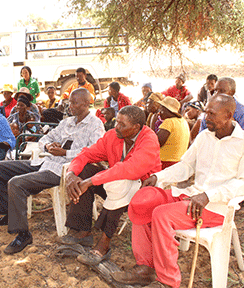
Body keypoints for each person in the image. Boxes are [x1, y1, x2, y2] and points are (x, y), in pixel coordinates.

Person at [112, 94, 244, 288]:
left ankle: (168, 281)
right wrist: (159, 177)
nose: (206, 117)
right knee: (141, 203)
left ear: (229, 115)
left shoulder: (241, 144)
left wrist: (208, 195)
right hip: (191, 196)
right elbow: (186, 167)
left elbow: (241, 183)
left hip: (216, 208)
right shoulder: (204, 137)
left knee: (161, 215)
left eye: (212, 113)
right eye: (206, 111)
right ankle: (145, 269)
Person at [0, 88, 105, 255]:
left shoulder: (95, 124)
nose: (70, 106)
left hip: (63, 170)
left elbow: (94, 152)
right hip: (45, 161)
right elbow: (45, 138)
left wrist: (66, 153)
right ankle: (8, 213)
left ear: (87, 103)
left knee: (16, 183)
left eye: (74, 103)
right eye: (69, 102)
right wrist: (49, 146)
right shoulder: (67, 122)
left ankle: (23, 234)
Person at [58, 106, 161, 266]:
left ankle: (104, 245)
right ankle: (82, 230)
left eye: (122, 124)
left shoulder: (149, 140)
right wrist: (72, 173)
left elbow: (129, 169)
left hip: (143, 191)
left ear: (136, 128)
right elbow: (86, 154)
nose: (116, 127)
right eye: (116, 122)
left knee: (120, 183)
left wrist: (90, 181)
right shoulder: (113, 135)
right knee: (85, 170)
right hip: (116, 185)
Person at [156, 97, 190, 169]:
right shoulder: (183, 121)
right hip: (179, 163)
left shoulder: (169, 122)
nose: (159, 113)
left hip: (165, 164)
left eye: (161, 110)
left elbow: (156, 143)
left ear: (167, 110)